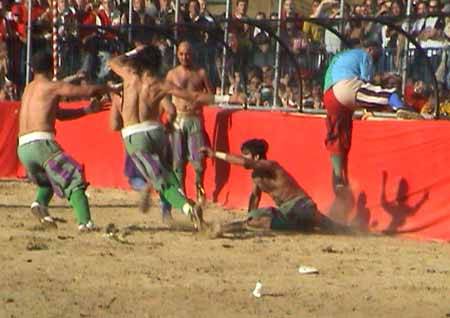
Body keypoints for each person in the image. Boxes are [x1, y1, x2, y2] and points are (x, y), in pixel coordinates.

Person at [108, 45, 219, 229]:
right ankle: (177, 206)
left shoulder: (128, 76)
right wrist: (225, 99)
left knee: (159, 178)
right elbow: (193, 96)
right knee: (168, 173)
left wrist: (134, 51)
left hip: (134, 136)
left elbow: (112, 61)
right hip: (156, 131)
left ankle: (187, 209)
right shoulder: (161, 84)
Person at [17, 51, 114, 231]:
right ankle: (85, 223)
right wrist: (109, 88)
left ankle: (39, 204)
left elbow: (59, 114)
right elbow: (88, 90)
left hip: (23, 147)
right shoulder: (51, 86)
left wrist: (86, 111)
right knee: (73, 178)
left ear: (32, 69)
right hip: (41, 143)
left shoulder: (28, 89)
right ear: (53, 67)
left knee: (50, 180)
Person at [322, 40, 418, 194]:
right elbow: (366, 81)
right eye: (377, 52)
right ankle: (401, 108)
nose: (377, 58)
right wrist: (384, 79)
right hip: (346, 88)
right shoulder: (364, 55)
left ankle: (339, 178)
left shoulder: (340, 55)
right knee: (387, 95)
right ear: (370, 49)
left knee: (338, 136)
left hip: (328, 95)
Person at [200, 139, 349, 236]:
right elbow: (255, 197)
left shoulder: (271, 166)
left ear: (257, 157)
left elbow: (244, 163)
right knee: (255, 220)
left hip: (300, 205)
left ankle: (346, 230)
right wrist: (250, 218)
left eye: (246, 155)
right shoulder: (256, 177)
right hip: (288, 212)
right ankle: (221, 229)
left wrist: (215, 154)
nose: (243, 158)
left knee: (324, 224)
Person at [165, 41, 214, 206]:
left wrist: (198, 102)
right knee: (178, 162)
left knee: (198, 162)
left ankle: (199, 189)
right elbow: (164, 95)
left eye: (187, 54)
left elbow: (210, 96)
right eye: (181, 54)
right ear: (177, 54)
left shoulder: (200, 73)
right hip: (178, 119)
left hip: (195, 119)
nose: (184, 57)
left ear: (192, 54)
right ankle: (182, 195)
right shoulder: (171, 74)